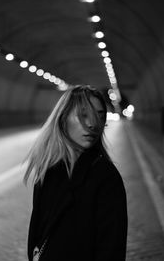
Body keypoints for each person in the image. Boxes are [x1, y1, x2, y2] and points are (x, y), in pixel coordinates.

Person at [24, 85, 127, 261]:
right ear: (63, 118)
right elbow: (38, 233)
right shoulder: (48, 171)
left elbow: (111, 250)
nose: (92, 124)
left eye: (99, 115)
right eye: (83, 115)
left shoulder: (106, 177)